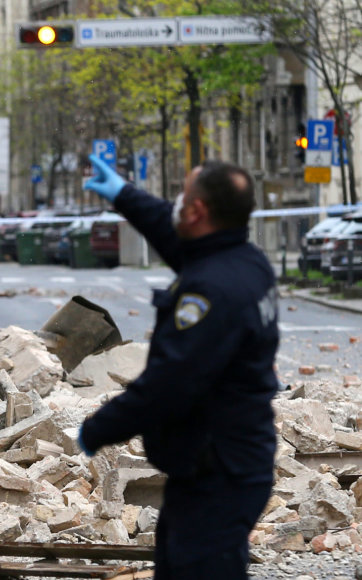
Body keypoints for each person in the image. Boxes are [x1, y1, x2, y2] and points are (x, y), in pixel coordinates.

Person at [78, 155, 279, 580]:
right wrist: (123, 194)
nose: (174, 204)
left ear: (197, 211)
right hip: (223, 464)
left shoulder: (209, 292)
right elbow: (176, 237)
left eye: (182, 196)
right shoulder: (244, 260)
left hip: (221, 473)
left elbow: (168, 385)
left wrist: (98, 428)